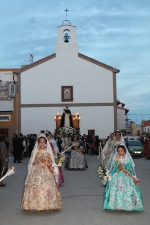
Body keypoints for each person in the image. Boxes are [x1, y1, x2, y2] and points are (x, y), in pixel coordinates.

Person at [21, 134, 62, 211]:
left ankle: (51, 204)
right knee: (35, 186)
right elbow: (32, 162)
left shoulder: (48, 151)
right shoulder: (36, 151)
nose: (42, 143)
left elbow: (51, 161)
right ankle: (33, 204)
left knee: (49, 186)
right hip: (37, 170)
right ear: (38, 143)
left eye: (43, 142)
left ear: (46, 142)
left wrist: (53, 165)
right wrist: (38, 163)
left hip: (47, 170)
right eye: (40, 142)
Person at [103, 144, 144, 211]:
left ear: (124, 151)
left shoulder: (128, 159)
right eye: (118, 151)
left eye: (121, 151)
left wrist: (134, 177)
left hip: (127, 176)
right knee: (114, 189)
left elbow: (131, 169)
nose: (120, 152)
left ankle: (127, 204)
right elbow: (113, 168)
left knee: (128, 189)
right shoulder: (116, 159)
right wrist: (108, 175)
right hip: (116, 176)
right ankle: (116, 204)